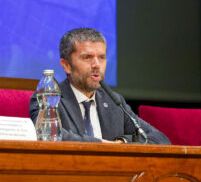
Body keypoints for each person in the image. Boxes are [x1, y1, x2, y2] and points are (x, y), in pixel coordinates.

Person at [29, 28, 170, 144]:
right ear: (66, 65)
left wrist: (122, 142)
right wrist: (103, 145)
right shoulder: (49, 98)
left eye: (101, 57)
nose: (97, 65)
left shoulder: (114, 101)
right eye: (87, 57)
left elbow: (160, 139)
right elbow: (49, 135)